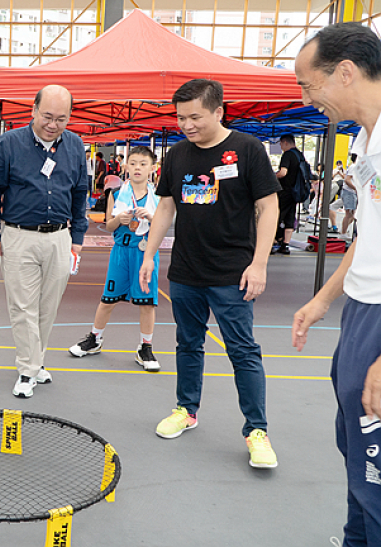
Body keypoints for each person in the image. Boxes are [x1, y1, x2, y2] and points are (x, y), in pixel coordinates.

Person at [139, 79, 281, 469]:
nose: (187, 125)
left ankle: (257, 430)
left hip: (233, 274)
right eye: (181, 118)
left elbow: (269, 207)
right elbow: (166, 207)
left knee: (242, 351)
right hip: (186, 271)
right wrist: (149, 255)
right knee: (188, 344)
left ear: (218, 112)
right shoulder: (177, 154)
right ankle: (186, 409)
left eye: (195, 117)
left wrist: (259, 263)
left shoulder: (248, 149)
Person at [292, 23, 381, 546]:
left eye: (309, 85)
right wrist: (323, 299)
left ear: (345, 72)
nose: (308, 99)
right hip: (361, 313)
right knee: (356, 445)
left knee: (375, 459)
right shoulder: (367, 142)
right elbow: (367, 238)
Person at [0, 84, 89, 399]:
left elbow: (80, 193)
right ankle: (28, 369)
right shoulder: (9, 143)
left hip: (59, 237)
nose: (53, 124)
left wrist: (77, 237)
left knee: (48, 306)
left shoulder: (75, 145)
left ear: (69, 117)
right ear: (33, 110)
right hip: (18, 236)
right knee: (22, 306)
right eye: (47, 116)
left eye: (61, 119)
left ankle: (35, 360)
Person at [69, 146, 161, 371]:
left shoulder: (159, 196)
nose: (138, 168)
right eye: (134, 163)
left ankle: (145, 346)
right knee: (108, 299)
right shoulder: (117, 193)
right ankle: (95, 338)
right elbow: (108, 225)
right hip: (121, 251)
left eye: (143, 164)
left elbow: (163, 225)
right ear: (126, 166)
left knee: (147, 302)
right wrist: (119, 219)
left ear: (152, 168)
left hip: (145, 252)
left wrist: (151, 217)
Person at [273, 133, 301, 255]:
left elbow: (283, 172)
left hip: (285, 191)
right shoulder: (300, 155)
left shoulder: (288, 155)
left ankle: (271, 242)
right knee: (290, 217)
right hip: (296, 192)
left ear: (285, 142)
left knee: (276, 215)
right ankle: (285, 245)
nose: (281, 147)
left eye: (280, 144)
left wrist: (273, 176)